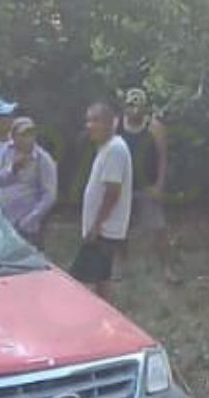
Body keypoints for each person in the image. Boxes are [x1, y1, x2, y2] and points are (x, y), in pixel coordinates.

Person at [71, 102, 133, 300]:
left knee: (80, 282)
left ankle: (87, 322)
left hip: (104, 231)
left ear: (111, 123)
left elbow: (112, 192)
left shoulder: (115, 149)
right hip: (103, 229)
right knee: (102, 279)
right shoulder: (107, 148)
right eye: (88, 121)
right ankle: (109, 323)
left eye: (96, 120)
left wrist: (96, 226)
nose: (90, 125)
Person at [119, 88, 178, 283]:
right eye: (131, 105)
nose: (134, 109)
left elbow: (162, 158)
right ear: (125, 106)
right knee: (120, 230)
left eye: (138, 105)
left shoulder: (154, 127)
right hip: (123, 186)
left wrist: (159, 185)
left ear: (145, 107)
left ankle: (168, 269)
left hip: (148, 186)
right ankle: (122, 267)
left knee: (159, 229)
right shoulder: (116, 125)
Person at [0, 117, 58, 249]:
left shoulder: (43, 160)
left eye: (31, 134)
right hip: (5, 221)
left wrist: (30, 219)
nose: (28, 138)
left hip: (27, 227)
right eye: (23, 134)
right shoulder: (6, 151)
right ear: (14, 137)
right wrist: (12, 169)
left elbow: (49, 196)